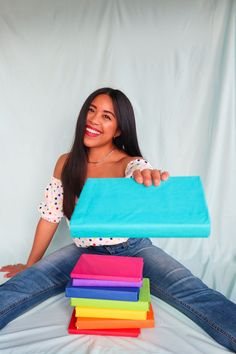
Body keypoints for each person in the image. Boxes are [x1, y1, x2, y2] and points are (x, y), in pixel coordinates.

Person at [0, 87, 235, 352]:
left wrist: (146, 176)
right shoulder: (66, 163)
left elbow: (140, 170)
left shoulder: (128, 163)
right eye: (91, 110)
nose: (94, 120)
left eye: (106, 116)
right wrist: (31, 266)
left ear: (119, 129)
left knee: (195, 293)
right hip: (84, 252)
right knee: (19, 287)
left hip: (133, 248)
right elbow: (49, 217)